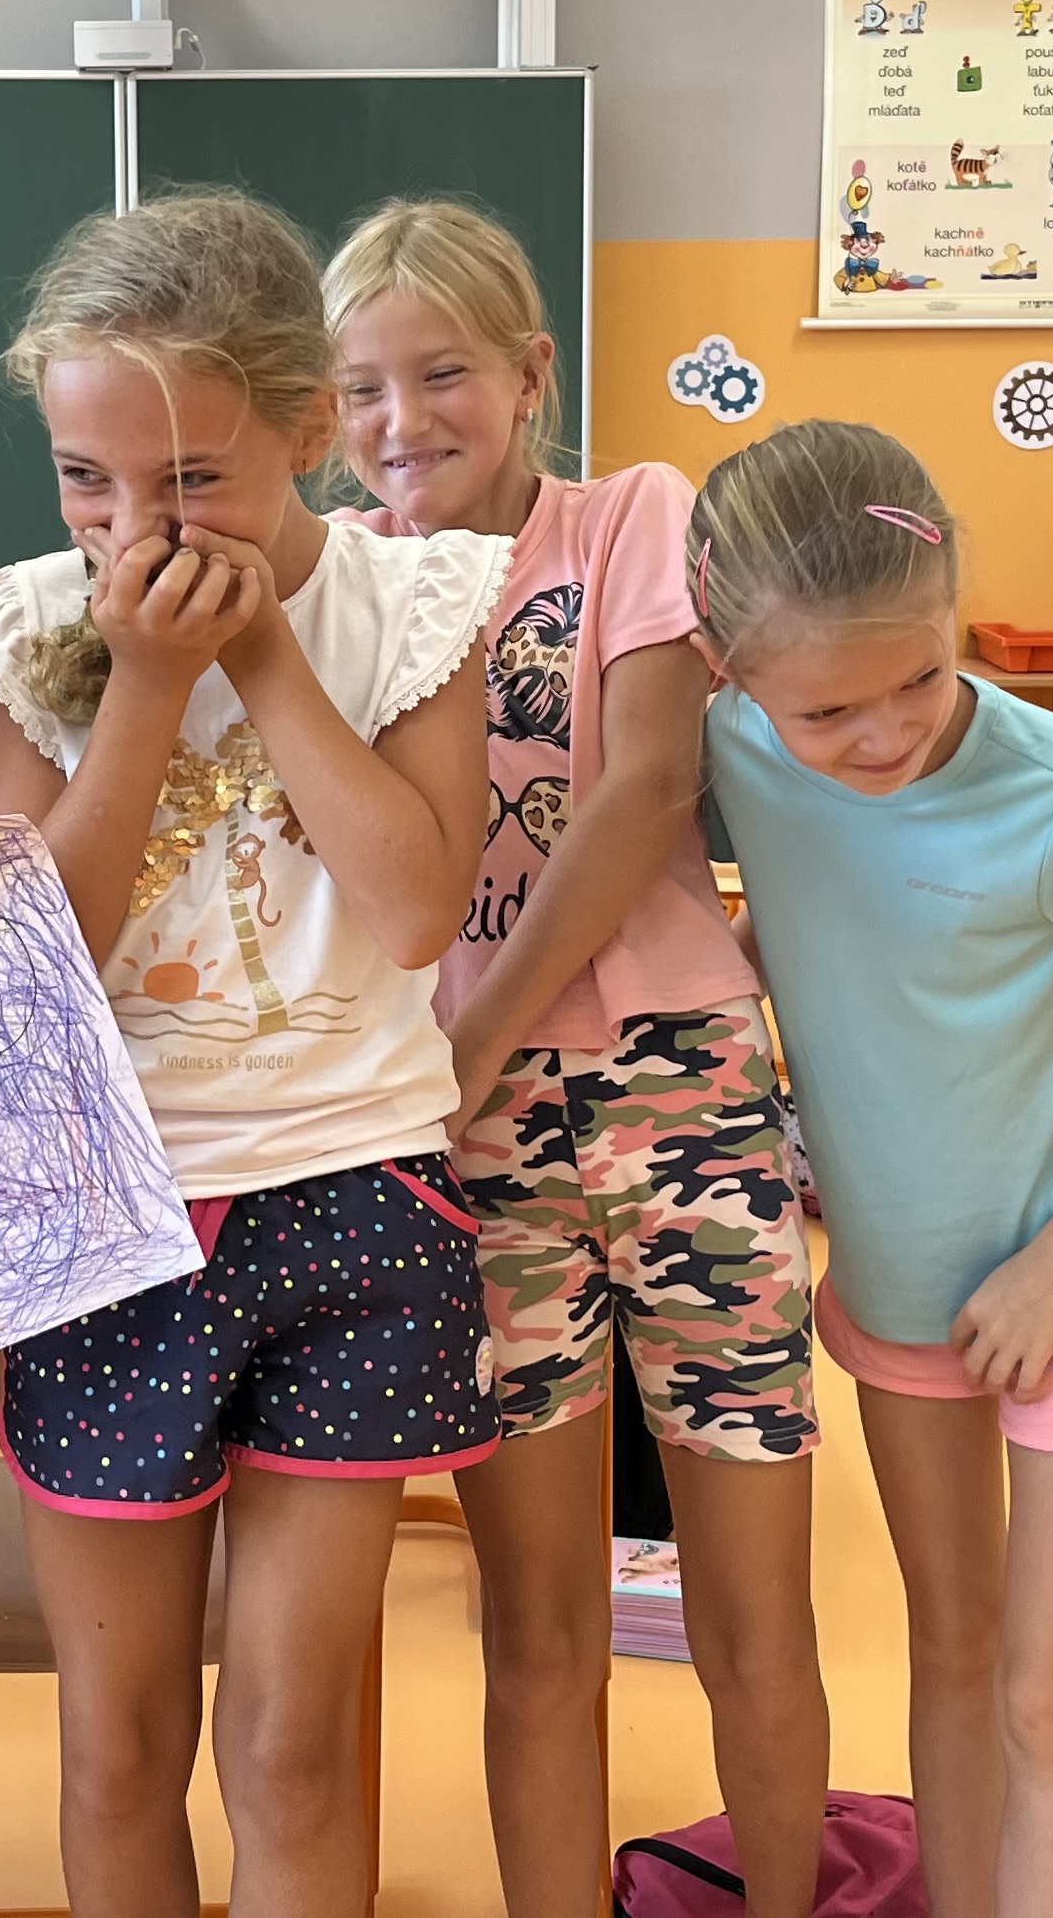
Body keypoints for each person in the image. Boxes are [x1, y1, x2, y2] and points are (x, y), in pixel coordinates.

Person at [0, 191, 509, 1918]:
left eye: (189, 479)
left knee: (290, 1746)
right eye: (84, 479)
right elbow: (36, 960)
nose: (130, 528)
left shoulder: (416, 604)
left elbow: (415, 908)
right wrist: (139, 683)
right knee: (119, 1749)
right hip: (114, 1221)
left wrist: (255, 651)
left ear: (311, 428)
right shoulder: (32, 630)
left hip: (359, 1201)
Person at [323, 200, 826, 1918]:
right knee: (538, 1632)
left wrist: (472, 1040)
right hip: (465, 1141)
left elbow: (644, 789)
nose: (403, 423)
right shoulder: (337, 585)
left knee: (756, 1618)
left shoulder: (630, 518)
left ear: (533, 373)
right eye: (361, 389)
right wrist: (448, 1075)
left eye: (444, 373)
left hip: (679, 1092)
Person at [690, 421, 1053, 1918]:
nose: (884, 736)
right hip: (898, 1293)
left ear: (957, 617)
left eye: (921, 681)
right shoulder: (736, 747)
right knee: (948, 1647)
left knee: (1047, 1695)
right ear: (731, 673)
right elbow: (805, 911)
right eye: (829, 711)